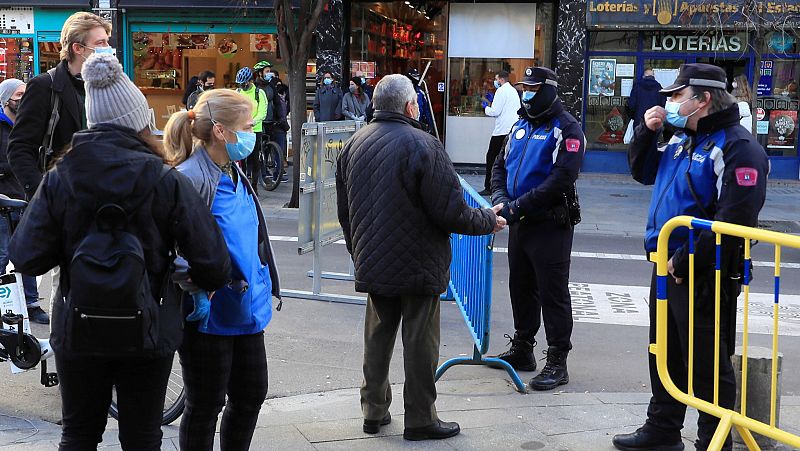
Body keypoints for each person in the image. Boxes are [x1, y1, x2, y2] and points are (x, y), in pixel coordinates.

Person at [9, 53, 231, 450]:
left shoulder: (61, 178)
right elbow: (214, 263)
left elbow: (26, 256)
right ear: (139, 120)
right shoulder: (166, 179)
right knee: (143, 435)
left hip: (78, 327)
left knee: (78, 433)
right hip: (148, 328)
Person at [336, 74, 506, 442]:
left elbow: (344, 211)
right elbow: (451, 211)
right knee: (420, 343)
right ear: (410, 106)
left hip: (373, 261)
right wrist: (489, 219)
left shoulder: (354, 144)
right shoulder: (424, 145)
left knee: (377, 338)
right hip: (418, 263)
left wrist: (359, 250)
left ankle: (373, 411)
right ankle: (420, 418)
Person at [613, 63, 769, 451]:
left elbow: (734, 220)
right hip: (665, 265)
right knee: (664, 353)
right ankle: (663, 428)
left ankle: (711, 440)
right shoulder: (684, 138)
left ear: (703, 100)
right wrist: (647, 134)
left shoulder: (738, 147)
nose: (669, 102)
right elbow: (643, 172)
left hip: (703, 273)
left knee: (708, 363)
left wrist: (687, 261)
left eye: (677, 96)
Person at [164, 88, 280, 451]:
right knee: (206, 405)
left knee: (250, 394)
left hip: (245, 308)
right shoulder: (189, 179)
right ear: (220, 131)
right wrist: (197, 282)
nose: (252, 134)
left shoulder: (232, 170)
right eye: (246, 126)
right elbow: (163, 247)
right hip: (208, 314)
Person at [8, 11, 111, 335]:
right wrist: (44, 193)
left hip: (108, 199)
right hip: (66, 201)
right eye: (101, 43)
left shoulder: (108, 85)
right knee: (67, 281)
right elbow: (19, 148)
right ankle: (68, 352)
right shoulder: (45, 87)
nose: (108, 48)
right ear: (78, 48)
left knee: (108, 277)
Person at [489, 67, 584, 391]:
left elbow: (559, 181)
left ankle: (558, 360)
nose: (526, 93)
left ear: (548, 90)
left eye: (532, 88)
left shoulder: (567, 129)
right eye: (524, 87)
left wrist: (516, 208)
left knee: (553, 294)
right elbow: (499, 165)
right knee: (521, 286)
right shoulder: (520, 124)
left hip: (549, 225)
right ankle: (523, 348)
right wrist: (501, 199)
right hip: (520, 224)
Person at [0, 79, 46, 324]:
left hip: (27, 199)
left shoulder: (31, 124)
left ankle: (31, 303)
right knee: (3, 254)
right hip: (3, 200)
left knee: (28, 253)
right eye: (18, 95)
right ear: (7, 99)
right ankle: (2, 304)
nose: (22, 99)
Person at [481, 70, 521, 196]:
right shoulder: (512, 91)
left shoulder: (501, 91)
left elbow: (495, 111)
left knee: (491, 158)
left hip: (501, 131)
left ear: (501, 80)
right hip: (511, 130)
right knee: (506, 159)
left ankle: (489, 186)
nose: (495, 81)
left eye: (496, 79)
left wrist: (485, 108)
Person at [235, 67, 267, 196]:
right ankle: (242, 182)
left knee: (254, 158)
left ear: (250, 81)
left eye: (244, 83)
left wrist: (252, 122)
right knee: (241, 158)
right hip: (240, 129)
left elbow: (262, 112)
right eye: (240, 84)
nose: (242, 86)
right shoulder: (237, 92)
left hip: (255, 130)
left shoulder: (259, 93)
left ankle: (254, 185)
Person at [627, 68, 666, 132]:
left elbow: (631, 104)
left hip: (639, 119)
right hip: (654, 119)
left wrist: (633, 115)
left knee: (639, 139)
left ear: (644, 76)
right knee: (652, 140)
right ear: (653, 76)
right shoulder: (659, 87)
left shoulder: (637, 86)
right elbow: (663, 105)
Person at [405, 68, 436, 135]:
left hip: (419, 124)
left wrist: (430, 125)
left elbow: (426, 110)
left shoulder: (420, 93)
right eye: (414, 76)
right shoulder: (403, 93)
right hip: (406, 125)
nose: (416, 78)